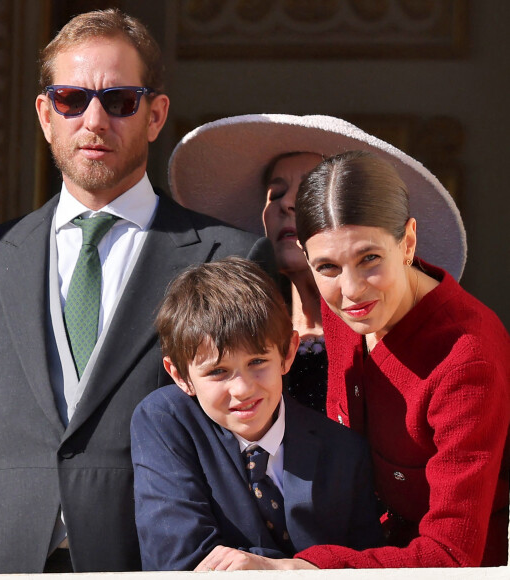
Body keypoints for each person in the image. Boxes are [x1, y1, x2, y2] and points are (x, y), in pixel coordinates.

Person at [0, 9, 273, 574]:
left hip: (155, 557)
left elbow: (250, 428)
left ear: (155, 114)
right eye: (72, 99)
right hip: (3, 559)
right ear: (45, 114)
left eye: (119, 100)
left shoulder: (232, 255)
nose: (94, 120)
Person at [195, 150, 510, 571]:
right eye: (327, 266)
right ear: (307, 259)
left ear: (408, 242)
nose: (351, 290)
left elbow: (451, 556)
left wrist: (304, 568)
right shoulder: (347, 305)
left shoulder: (468, 359)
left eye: (369, 259)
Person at [167, 114, 467, 415]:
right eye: (276, 193)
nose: (287, 203)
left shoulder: (386, 331)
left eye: (309, 193)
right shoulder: (239, 326)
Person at [131, 257, 382, 570]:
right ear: (180, 375)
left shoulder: (344, 451)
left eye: (257, 362)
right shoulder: (166, 420)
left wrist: (271, 568)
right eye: (218, 371)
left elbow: (368, 566)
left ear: (288, 353)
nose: (243, 389)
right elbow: (180, 559)